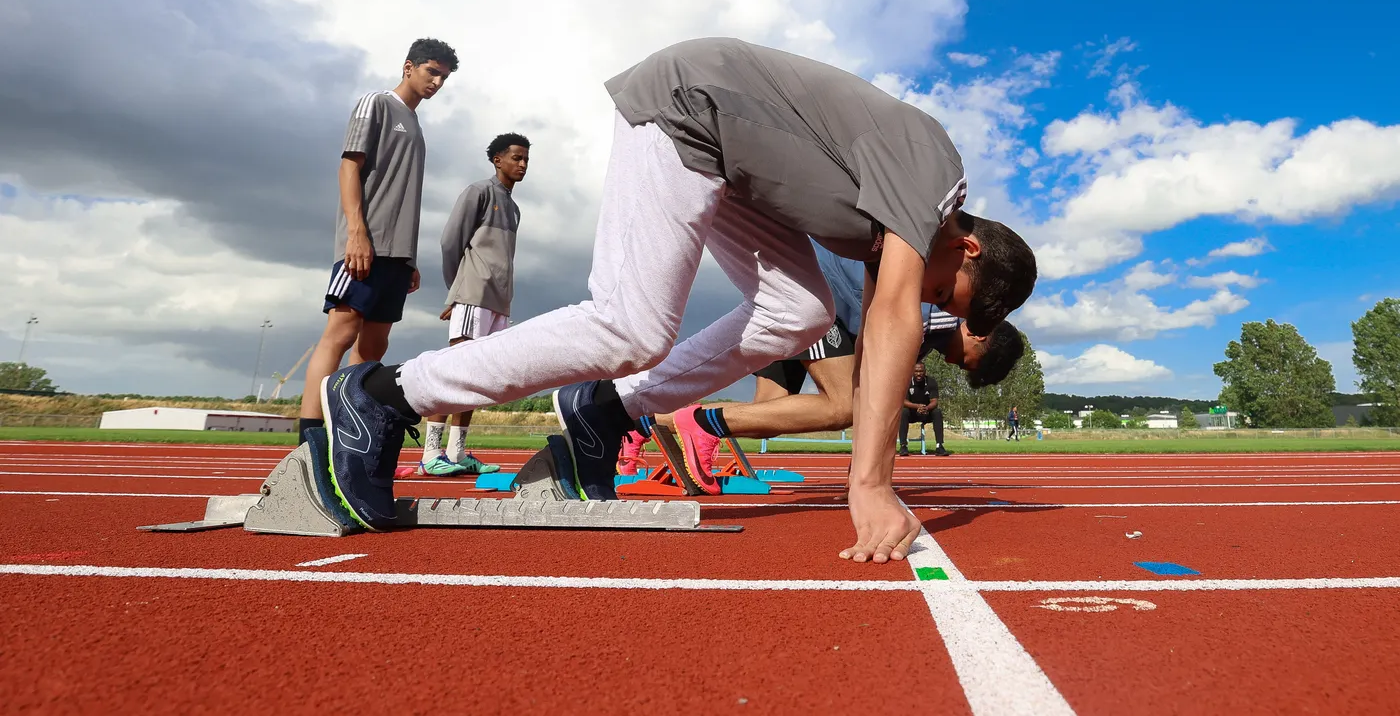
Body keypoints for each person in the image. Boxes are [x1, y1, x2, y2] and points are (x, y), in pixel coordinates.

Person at [320, 37, 1037, 564]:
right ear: (969, 247)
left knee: (800, 312)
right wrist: (870, 485)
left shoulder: (909, 212)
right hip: (689, 112)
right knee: (630, 326)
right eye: (946, 291)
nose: (928, 299)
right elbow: (890, 322)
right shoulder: (935, 183)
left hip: (736, 163)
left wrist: (873, 465)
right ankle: (383, 394)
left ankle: (606, 409)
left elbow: (881, 334)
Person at [648, 243, 1023, 488]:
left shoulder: (931, 337)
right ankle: (699, 424)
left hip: (813, 290)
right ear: (981, 337)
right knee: (843, 404)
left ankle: (649, 421)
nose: (964, 369)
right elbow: (872, 397)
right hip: (816, 291)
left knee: (768, 413)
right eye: (974, 366)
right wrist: (868, 480)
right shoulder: (937, 317)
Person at [297, 39, 458, 442]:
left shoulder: (416, 124)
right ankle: (310, 437)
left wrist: (409, 259)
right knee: (340, 335)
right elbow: (349, 167)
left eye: (444, 77)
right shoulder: (376, 103)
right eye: (431, 72)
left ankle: (346, 432)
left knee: (374, 347)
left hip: (396, 254)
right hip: (364, 244)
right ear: (408, 68)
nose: (436, 82)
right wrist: (357, 233)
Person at [416, 133, 531, 476]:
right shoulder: (479, 192)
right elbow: (450, 241)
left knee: (480, 379)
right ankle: (430, 455)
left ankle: (457, 452)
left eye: (525, 159)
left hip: (499, 302)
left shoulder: (513, 207)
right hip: (472, 295)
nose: (522, 164)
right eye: (515, 158)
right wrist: (458, 290)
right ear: (497, 159)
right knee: (456, 372)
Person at [898, 361, 948, 457]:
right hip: (912, 413)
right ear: (912, 372)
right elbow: (903, 401)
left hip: (926, 412)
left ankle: (939, 446)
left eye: (921, 371)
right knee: (903, 412)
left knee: (937, 412)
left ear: (925, 372)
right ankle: (903, 446)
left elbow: (934, 401)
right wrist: (917, 406)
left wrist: (926, 408)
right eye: (916, 371)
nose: (918, 374)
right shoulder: (906, 382)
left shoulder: (931, 382)